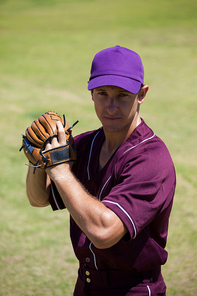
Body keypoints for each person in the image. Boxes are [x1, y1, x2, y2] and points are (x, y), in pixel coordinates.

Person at [26, 46, 176, 295]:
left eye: (122, 95)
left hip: (133, 288)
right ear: (91, 93)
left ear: (142, 94)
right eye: (102, 93)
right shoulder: (85, 144)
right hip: (85, 285)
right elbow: (39, 198)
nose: (111, 106)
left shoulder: (152, 160)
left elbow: (103, 232)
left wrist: (60, 170)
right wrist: (38, 162)